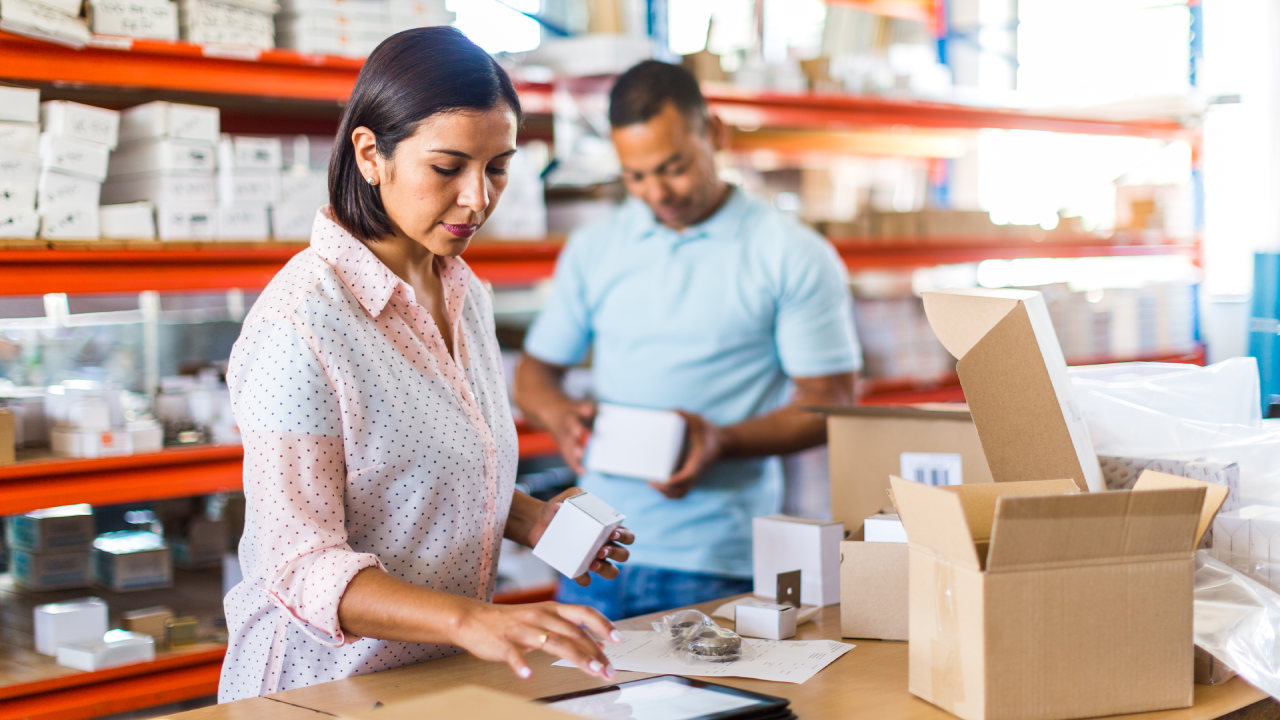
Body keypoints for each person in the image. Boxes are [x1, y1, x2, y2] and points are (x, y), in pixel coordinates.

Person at [218, 27, 633, 702]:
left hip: (439, 683)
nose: (479, 198)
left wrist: (532, 520)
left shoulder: (465, 293)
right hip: (320, 691)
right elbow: (300, 564)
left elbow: (422, 477)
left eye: (498, 167)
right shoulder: (299, 325)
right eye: (448, 168)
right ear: (370, 154)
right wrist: (478, 621)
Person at [515, 61, 861, 621]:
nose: (657, 191)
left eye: (673, 167)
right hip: (589, 549)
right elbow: (534, 372)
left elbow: (832, 402)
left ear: (715, 135)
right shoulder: (595, 247)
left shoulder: (790, 253)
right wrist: (560, 418)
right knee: (577, 708)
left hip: (717, 564)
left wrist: (720, 441)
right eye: (636, 175)